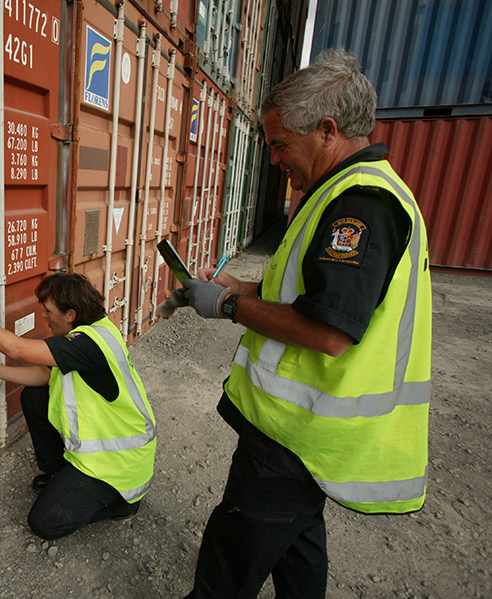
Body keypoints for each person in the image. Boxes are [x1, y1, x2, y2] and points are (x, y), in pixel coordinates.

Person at [171, 48, 432, 598]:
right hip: (306, 439)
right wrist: (239, 288)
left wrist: (227, 308)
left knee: (226, 569)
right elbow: (310, 292)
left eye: (280, 144)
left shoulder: (360, 205)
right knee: (299, 547)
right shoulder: (344, 192)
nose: (273, 160)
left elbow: (330, 331)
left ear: (328, 131)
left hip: (299, 434)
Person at [0, 273, 157, 541]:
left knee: (44, 523)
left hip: (118, 466)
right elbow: (44, 376)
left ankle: (122, 505)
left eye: (48, 311)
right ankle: (60, 473)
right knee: (34, 397)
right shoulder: (98, 329)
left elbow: (16, 349)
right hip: (106, 457)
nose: (44, 316)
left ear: (70, 315)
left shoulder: (88, 344)